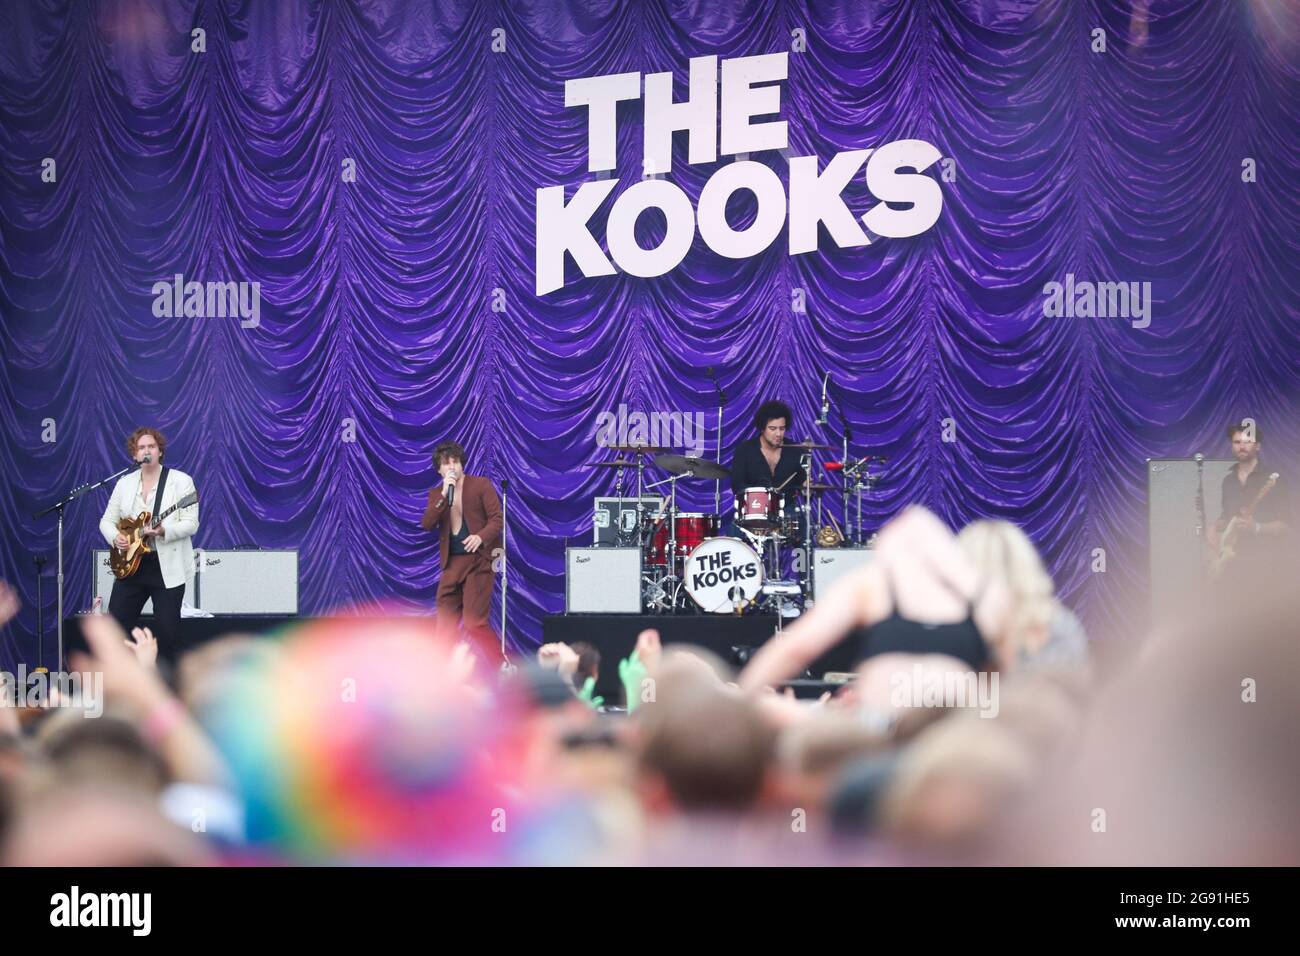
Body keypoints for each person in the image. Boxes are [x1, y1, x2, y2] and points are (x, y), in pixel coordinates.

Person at [99, 428, 199, 646]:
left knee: (168, 633)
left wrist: (164, 531)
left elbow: (191, 524)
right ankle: (121, 679)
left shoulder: (181, 482)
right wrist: (117, 537)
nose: (147, 451)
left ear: (160, 451)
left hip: (166, 566)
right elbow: (106, 521)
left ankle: (166, 679)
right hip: (131, 565)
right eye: (141, 448)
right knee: (115, 630)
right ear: (134, 455)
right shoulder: (124, 483)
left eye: (151, 446)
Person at [420, 440, 502, 652]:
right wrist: (444, 495)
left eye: (455, 462)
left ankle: (500, 666)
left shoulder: (481, 485)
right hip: (452, 563)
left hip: (478, 561)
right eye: (446, 464)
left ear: (462, 464)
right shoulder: (437, 494)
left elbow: (497, 519)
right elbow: (427, 524)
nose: (452, 467)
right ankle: (444, 676)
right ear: (439, 470)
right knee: (444, 629)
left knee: (474, 623)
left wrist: (480, 537)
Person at [1207, 420, 1291, 578]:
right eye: (1237, 442)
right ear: (1232, 446)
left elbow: (1287, 526)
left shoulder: (1274, 479)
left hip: (1267, 564)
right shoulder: (1228, 481)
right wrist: (1214, 526)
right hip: (1233, 565)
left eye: (1247, 442)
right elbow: (1228, 516)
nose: (1241, 446)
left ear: (1257, 446)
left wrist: (1256, 527)